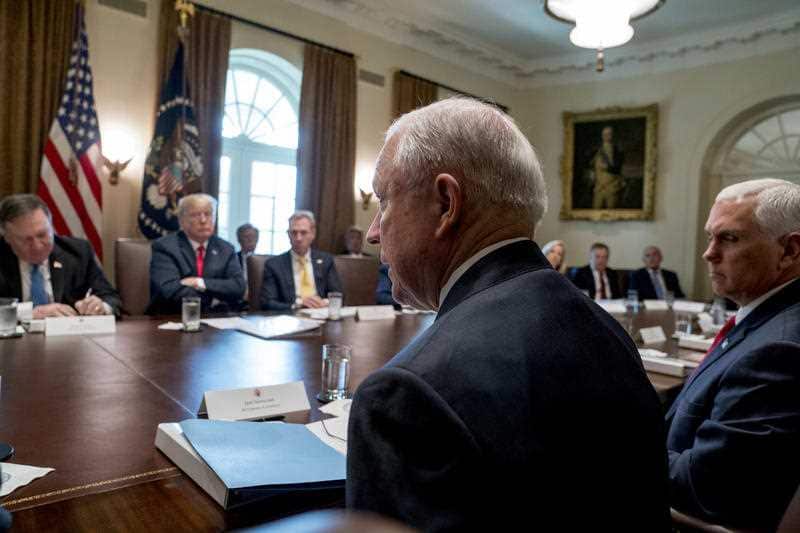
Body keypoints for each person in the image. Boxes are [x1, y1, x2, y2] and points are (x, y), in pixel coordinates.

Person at [346, 97, 669, 531]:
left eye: (383, 202)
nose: (370, 233)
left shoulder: (406, 395)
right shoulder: (605, 329)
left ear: (446, 203)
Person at [666, 178, 800, 530]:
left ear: (789, 251)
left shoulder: (780, 350)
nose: (708, 252)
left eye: (729, 238)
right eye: (711, 236)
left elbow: (702, 489)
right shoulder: (769, 320)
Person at [0, 194, 120, 318]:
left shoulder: (77, 252)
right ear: (7, 238)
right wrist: (30, 313)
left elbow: (110, 297)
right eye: (26, 239)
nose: (37, 246)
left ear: (51, 227)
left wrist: (101, 306)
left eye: (42, 235)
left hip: (67, 335)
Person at [147, 193, 245, 314]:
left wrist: (199, 282)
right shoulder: (165, 247)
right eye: (195, 215)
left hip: (217, 321)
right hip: (171, 318)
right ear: (181, 221)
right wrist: (214, 299)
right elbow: (168, 290)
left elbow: (238, 287)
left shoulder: (226, 249)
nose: (203, 220)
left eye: (208, 214)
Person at [260, 210, 342, 311]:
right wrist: (298, 304)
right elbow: (267, 302)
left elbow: (338, 294)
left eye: (303, 232)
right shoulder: (274, 265)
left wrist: (324, 302)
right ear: (288, 235)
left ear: (313, 234)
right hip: (291, 318)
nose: (298, 238)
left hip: (321, 314)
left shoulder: (326, 260)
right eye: (294, 233)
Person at [590, 125, 624, 209]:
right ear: (602, 136)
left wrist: (605, 167)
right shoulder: (596, 151)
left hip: (612, 188)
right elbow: (591, 166)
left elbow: (617, 169)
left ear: (613, 135)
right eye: (604, 134)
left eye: (609, 134)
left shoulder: (618, 151)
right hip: (599, 189)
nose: (606, 136)